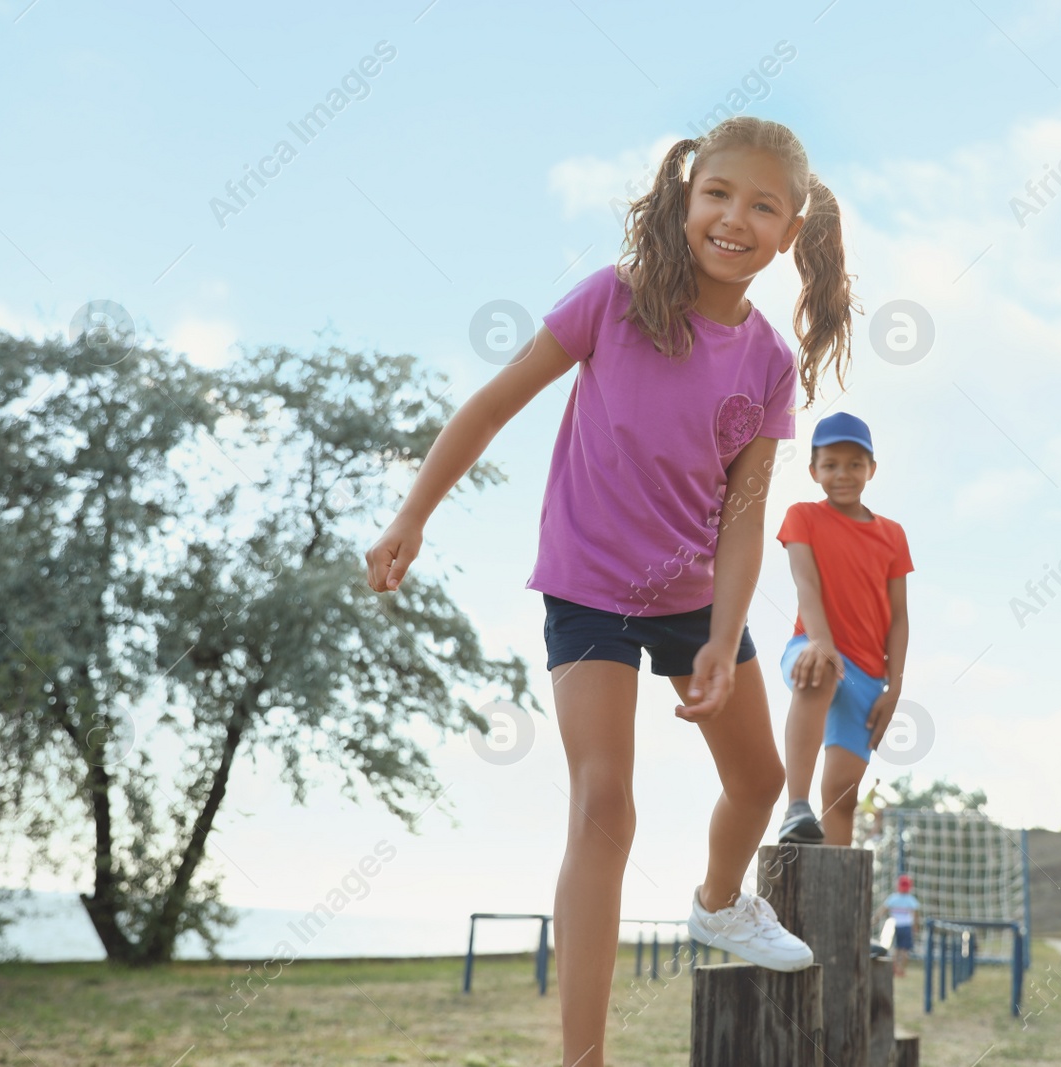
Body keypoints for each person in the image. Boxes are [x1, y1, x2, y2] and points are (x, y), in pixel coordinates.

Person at [363, 116, 858, 1067]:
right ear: (685, 198)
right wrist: (411, 514)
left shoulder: (766, 364)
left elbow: (745, 515)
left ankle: (720, 904)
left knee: (757, 782)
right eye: (718, 195)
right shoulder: (614, 301)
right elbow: (496, 400)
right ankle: (581, 1057)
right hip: (588, 586)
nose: (733, 218)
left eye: (762, 206)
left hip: (691, 593)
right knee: (604, 803)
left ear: (791, 231)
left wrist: (722, 636)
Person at [775, 412, 913, 848]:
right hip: (812, 644)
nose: (843, 474)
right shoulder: (802, 516)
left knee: (843, 795)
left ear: (871, 469)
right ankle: (796, 807)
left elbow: (899, 616)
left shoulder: (893, 535)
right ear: (814, 470)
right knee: (818, 671)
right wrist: (821, 642)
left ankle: (835, 895)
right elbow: (806, 583)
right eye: (831, 464)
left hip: (870, 675)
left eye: (855, 464)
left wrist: (894, 689)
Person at [877, 874, 921, 977]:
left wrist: (876, 919)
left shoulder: (893, 898)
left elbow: (883, 910)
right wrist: (916, 926)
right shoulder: (910, 899)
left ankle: (895, 966)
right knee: (905, 949)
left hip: (895, 926)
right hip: (906, 926)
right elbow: (915, 915)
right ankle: (901, 969)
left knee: (896, 948)